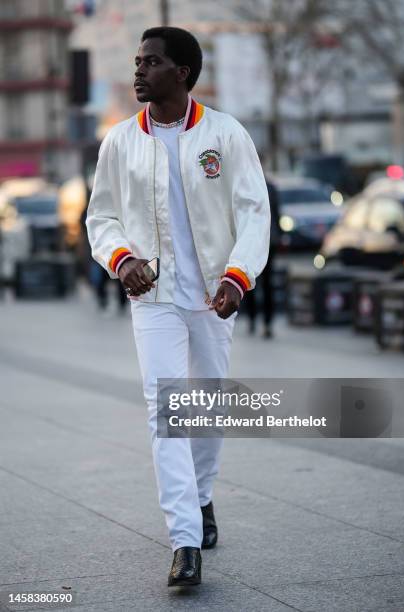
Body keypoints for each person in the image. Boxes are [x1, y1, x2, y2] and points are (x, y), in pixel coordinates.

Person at [86, 26, 270, 587]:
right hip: (154, 301)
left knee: (208, 406)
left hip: (214, 297)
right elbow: (101, 217)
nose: (138, 71)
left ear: (182, 73)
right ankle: (184, 540)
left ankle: (204, 496)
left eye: (151, 62)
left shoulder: (226, 134)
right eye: (138, 62)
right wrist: (122, 259)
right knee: (165, 411)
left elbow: (254, 212)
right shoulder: (120, 140)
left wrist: (239, 278)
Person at [245, 181, 281, 338]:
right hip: (265, 240)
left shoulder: (250, 185)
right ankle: (262, 321)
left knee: (255, 283)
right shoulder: (269, 186)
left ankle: (259, 320)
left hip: (259, 240)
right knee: (263, 284)